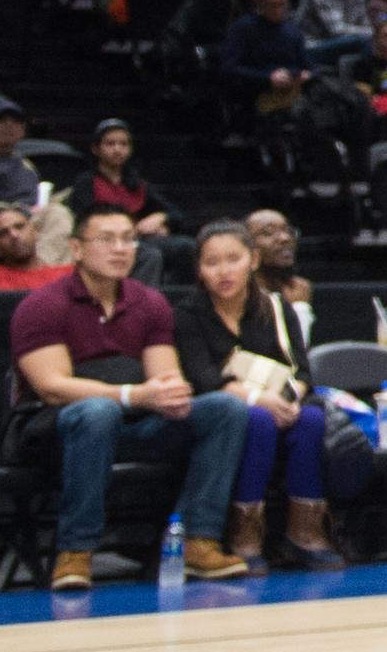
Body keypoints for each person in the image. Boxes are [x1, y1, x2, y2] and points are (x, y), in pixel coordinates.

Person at [13, 205, 250, 588]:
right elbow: (51, 386)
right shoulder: (42, 305)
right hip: (55, 431)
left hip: (132, 425)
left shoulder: (149, 303)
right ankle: (76, 551)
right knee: (97, 413)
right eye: (106, 239)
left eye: (128, 239)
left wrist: (169, 393)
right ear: (76, 248)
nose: (120, 249)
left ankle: (196, 540)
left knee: (224, 408)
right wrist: (133, 395)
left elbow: (162, 377)